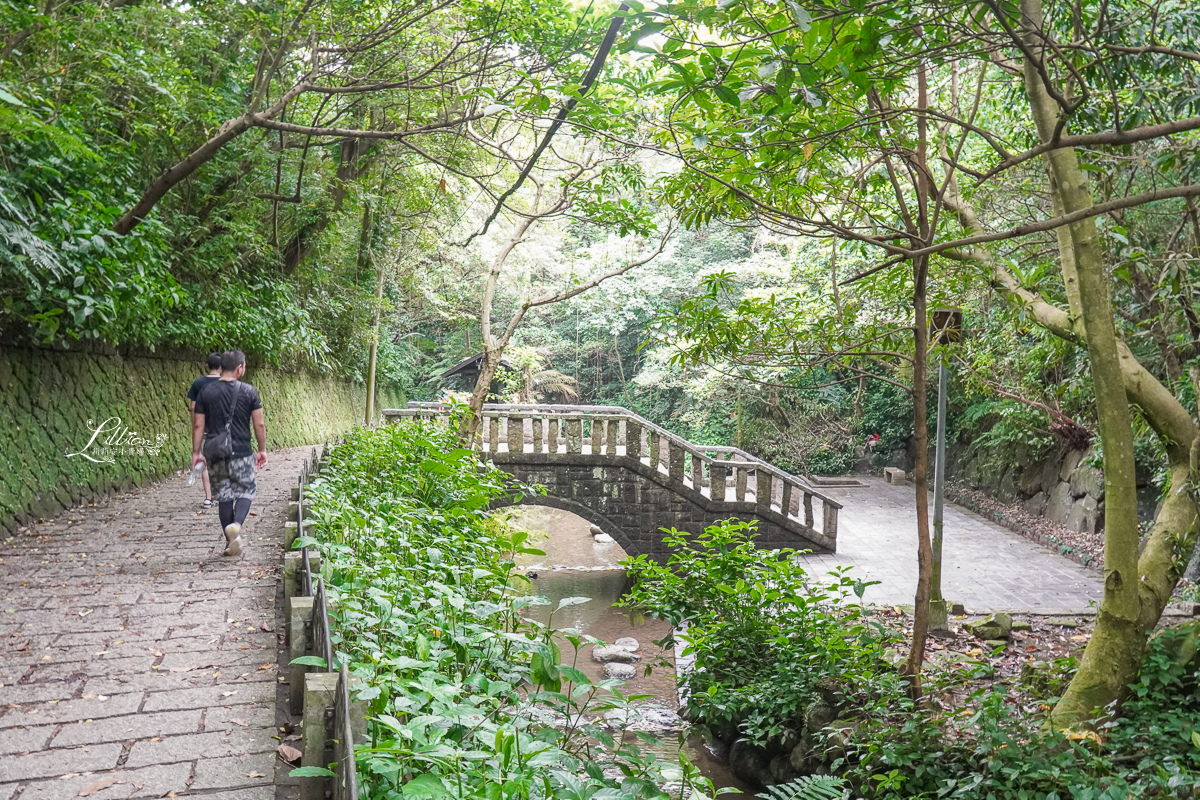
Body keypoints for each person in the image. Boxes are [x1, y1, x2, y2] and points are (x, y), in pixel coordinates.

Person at [191, 350, 268, 556]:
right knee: (246, 491)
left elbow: (198, 426)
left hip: (215, 452)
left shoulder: (205, 392)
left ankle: (229, 543)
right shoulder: (249, 391)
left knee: (224, 496)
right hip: (242, 451)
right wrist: (262, 450)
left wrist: (196, 452)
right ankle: (236, 525)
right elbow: (258, 423)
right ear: (239, 368)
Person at [186, 353, 224, 508]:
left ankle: (209, 497)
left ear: (207, 365)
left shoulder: (198, 383)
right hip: (223, 429)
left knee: (205, 463)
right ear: (222, 366)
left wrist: (195, 426)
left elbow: (193, 407)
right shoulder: (227, 383)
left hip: (204, 429)